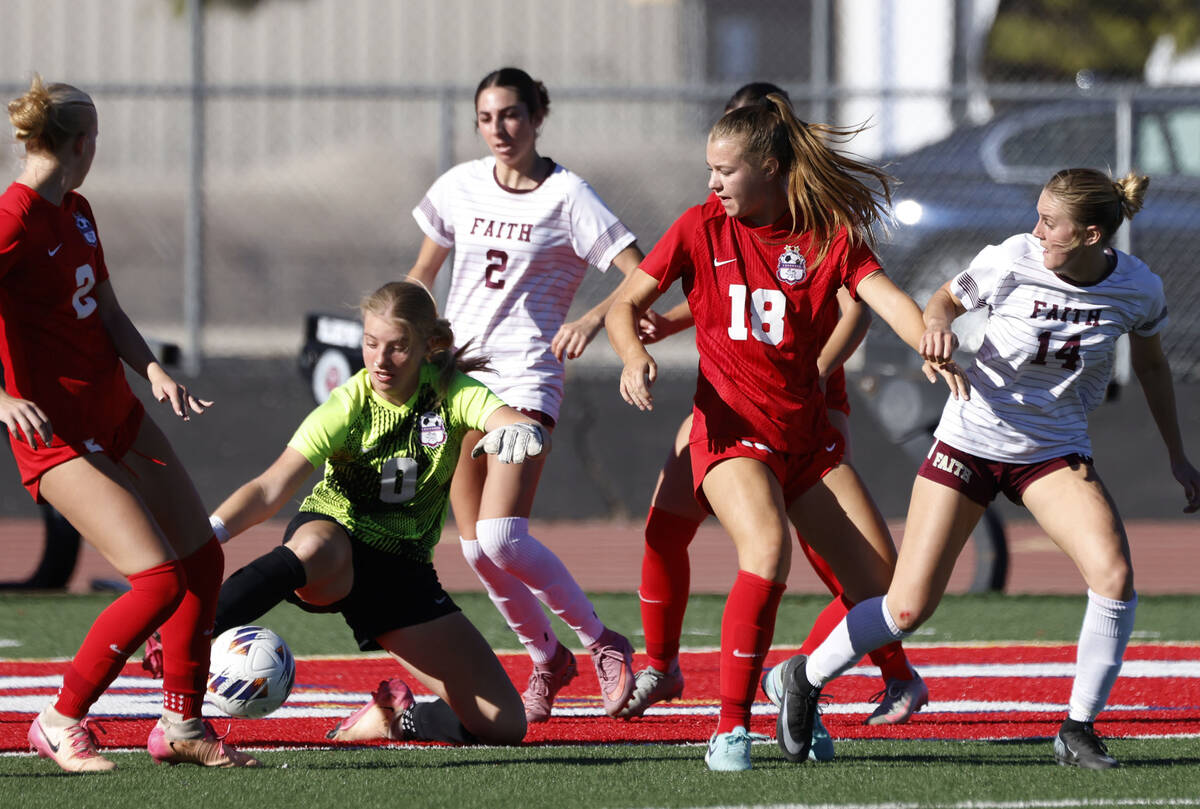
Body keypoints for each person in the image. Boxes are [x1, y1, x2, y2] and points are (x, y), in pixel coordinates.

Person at [774, 168, 1200, 771]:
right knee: (906, 609)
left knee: (1113, 577)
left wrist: (1177, 455)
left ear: (1092, 235)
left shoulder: (1137, 288)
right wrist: (939, 325)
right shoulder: (1011, 258)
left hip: (1052, 453)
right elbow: (943, 299)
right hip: (971, 441)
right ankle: (804, 675)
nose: (1037, 228)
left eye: (1052, 223)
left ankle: (1077, 729)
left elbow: (1154, 369)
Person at [606, 95, 967, 771]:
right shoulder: (699, 225)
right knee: (765, 549)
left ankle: (795, 680)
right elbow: (626, 304)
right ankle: (729, 728)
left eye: (725, 171)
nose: (712, 183)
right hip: (731, 429)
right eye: (709, 169)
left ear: (770, 169)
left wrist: (932, 338)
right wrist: (634, 356)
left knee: (887, 589)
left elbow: (884, 301)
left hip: (804, 434)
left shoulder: (829, 234)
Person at [0, 75, 257, 771]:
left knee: (201, 557)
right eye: (96, 137)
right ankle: (57, 720)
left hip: (116, 410)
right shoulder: (13, 219)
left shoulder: (77, 211)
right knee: (157, 580)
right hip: (54, 436)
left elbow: (108, 313)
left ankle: (180, 724)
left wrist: (154, 371)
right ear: (81, 143)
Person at [208, 280, 544, 746]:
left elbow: (500, 416)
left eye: (398, 347)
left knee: (504, 724)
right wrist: (210, 536)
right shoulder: (349, 403)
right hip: (335, 543)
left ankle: (394, 719)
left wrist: (522, 430)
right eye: (370, 344)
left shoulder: (452, 392)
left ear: (430, 346)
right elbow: (271, 487)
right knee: (315, 547)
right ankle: (193, 629)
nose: (381, 361)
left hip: (401, 573)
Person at [405, 67, 643, 722]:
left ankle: (603, 643)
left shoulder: (568, 196)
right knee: (476, 546)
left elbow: (641, 271)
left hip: (526, 376)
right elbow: (424, 272)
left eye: (510, 114)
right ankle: (547, 657)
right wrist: (406, 334)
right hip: (458, 381)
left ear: (538, 115)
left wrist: (594, 319)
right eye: (486, 117)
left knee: (505, 534)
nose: (498, 129)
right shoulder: (459, 184)